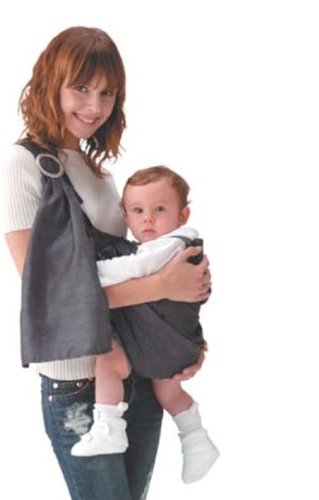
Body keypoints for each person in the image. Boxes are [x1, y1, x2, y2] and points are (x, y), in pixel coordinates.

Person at [2, 26, 211, 500]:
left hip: (133, 370)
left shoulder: (99, 171)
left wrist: (178, 338)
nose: (94, 106)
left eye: (107, 93)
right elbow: (46, 293)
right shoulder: (25, 164)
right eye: (81, 88)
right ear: (50, 83)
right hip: (77, 380)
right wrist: (166, 286)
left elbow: (136, 266)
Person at [71, 166, 219, 484]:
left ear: (183, 215)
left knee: (107, 361)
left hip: (163, 341)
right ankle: (196, 439)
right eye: (138, 211)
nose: (148, 219)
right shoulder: (166, 244)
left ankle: (109, 425)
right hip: (170, 345)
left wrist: (87, 273)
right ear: (125, 216)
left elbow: (134, 268)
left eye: (159, 209)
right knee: (167, 392)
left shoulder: (173, 244)